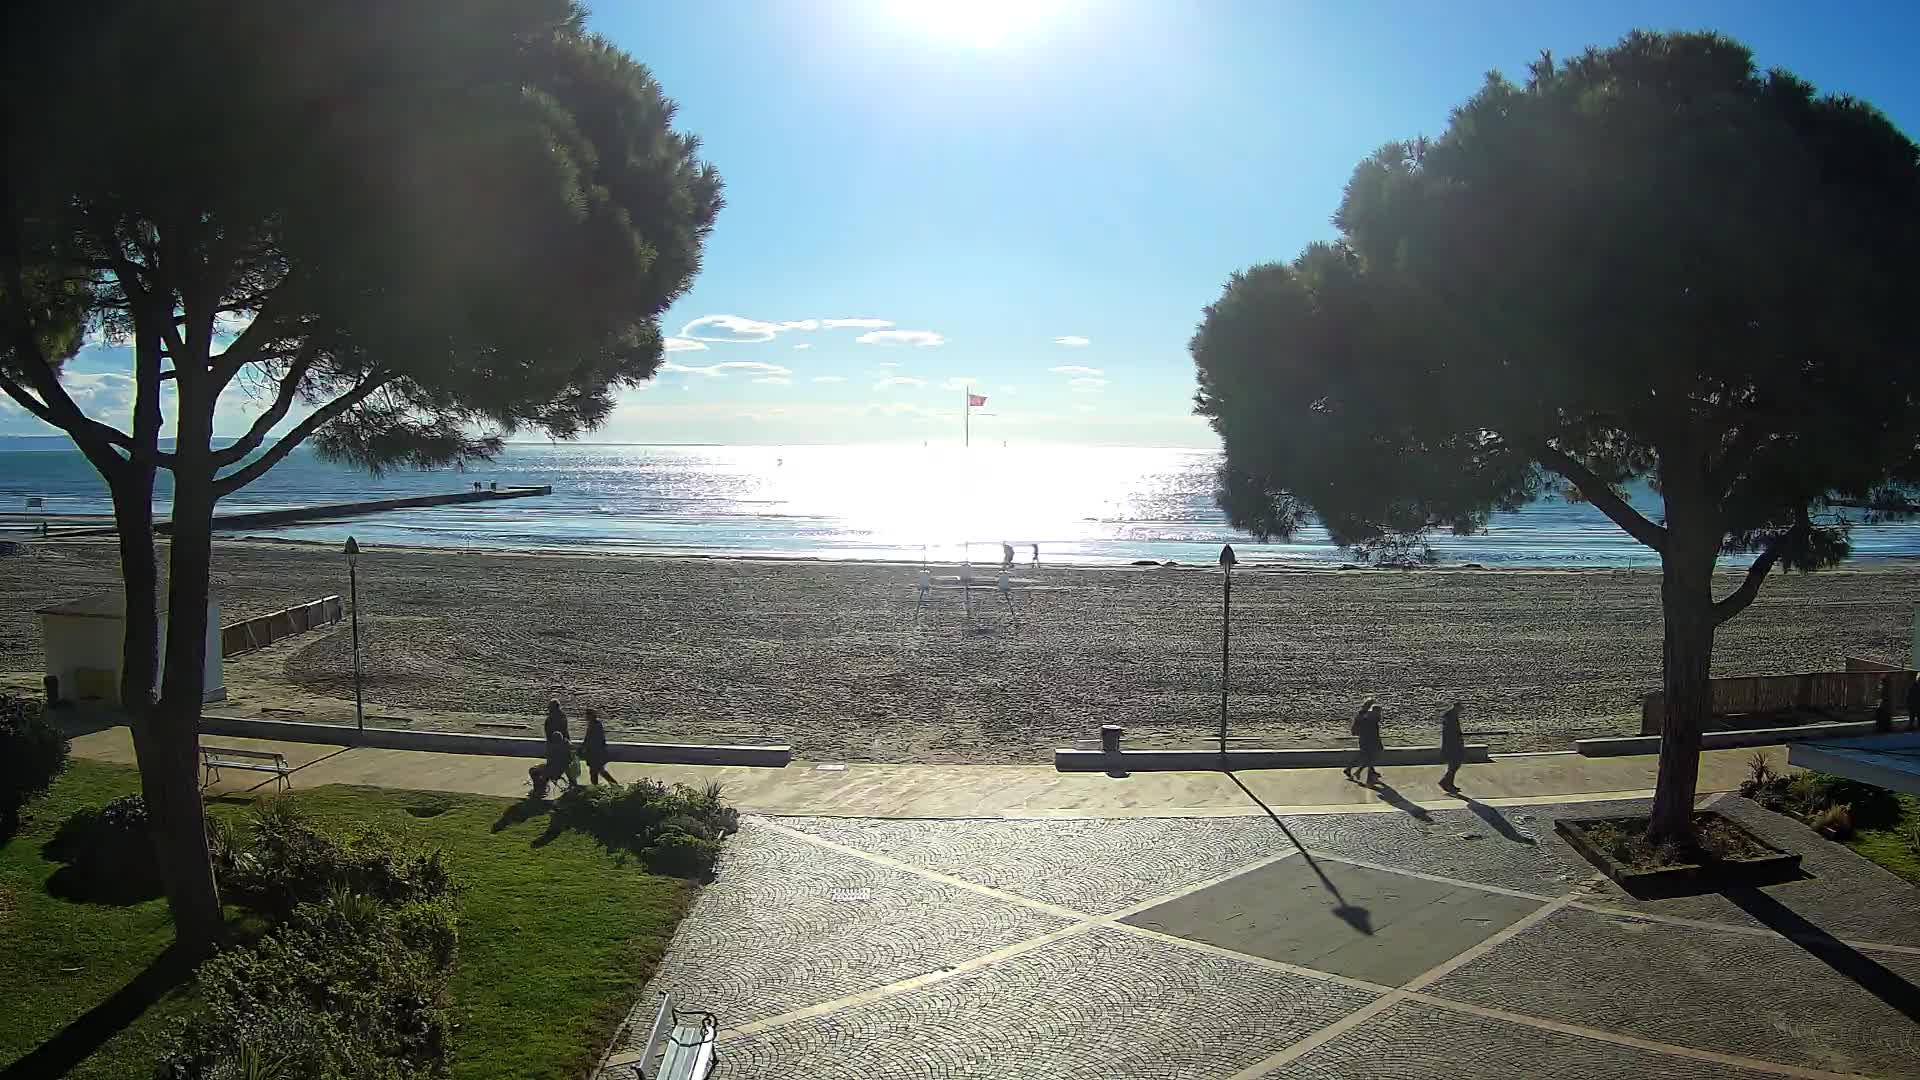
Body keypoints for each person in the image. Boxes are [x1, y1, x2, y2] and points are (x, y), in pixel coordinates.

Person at [1345, 698, 1381, 784]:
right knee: (1368, 757)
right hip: (1367, 739)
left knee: (1366, 756)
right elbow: (1371, 728)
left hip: (1366, 738)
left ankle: (1355, 770)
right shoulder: (1366, 715)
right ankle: (1361, 773)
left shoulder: (1365, 714)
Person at [580, 708, 614, 785]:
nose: (586, 717)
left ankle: (598, 788)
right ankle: (613, 785)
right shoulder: (595, 724)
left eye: (587, 715)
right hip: (595, 753)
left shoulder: (594, 725)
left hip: (595, 753)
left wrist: (584, 748)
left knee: (596, 772)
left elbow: (590, 740)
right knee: (598, 771)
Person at [1438, 700, 1466, 792]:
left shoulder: (1449, 717)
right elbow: (1452, 734)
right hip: (1452, 746)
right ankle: (1446, 782)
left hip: (1451, 745)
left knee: (1453, 765)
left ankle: (1448, 783)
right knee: (1454, 765)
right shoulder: (1451, 718)